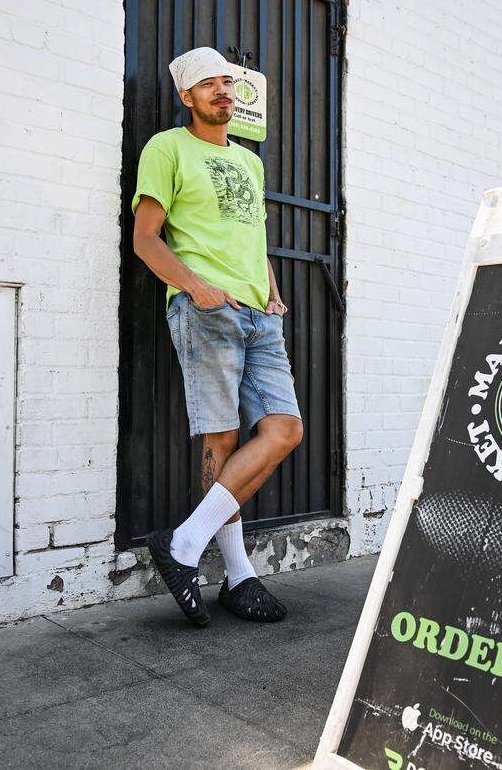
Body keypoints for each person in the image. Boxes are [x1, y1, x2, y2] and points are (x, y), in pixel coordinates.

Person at [130, 46, 303, 626]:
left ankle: (181, 547)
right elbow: (146, 239)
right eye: (208, 85)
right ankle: (239, 575)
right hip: (207, 310)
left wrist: (272, 289)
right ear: (187, 96)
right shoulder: (167, 148)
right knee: (221, 440)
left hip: (260, 314)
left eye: (227, 83)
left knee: (284, 431)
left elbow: (250, 237)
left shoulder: (251, 162)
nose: (222, 92)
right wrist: (198, 288)